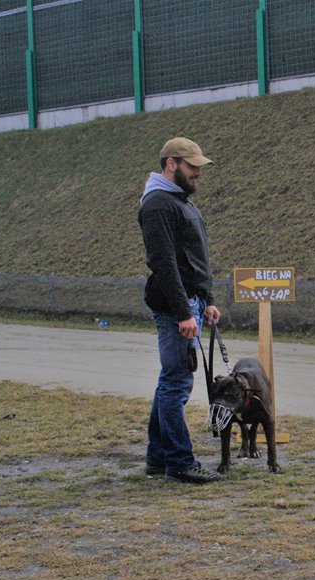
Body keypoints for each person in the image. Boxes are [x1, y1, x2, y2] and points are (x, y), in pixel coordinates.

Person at [138, 137, 222, 483]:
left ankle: (158, 458)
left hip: (191, 301)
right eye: (192, 166)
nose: (198, 173)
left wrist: (208, 299)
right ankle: (179, 462)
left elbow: (193, 258)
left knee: (170, 382)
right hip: (178, 306)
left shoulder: (179, 201)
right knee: (176, 384)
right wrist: (184, 312)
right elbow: (164, 263)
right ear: (171, 163)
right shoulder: (158, 204)